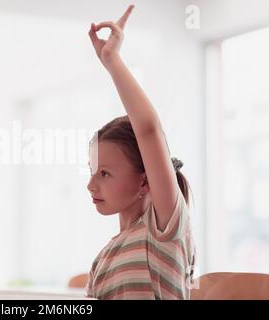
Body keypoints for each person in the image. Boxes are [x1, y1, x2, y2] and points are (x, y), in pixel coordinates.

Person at [86, 5, 195, 299]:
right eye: (92, 171)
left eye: (105, 173)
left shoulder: (163, 232)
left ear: (145, 181)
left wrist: (112, 60)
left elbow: (149, 130)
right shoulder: (104, 257)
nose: (90, 185)